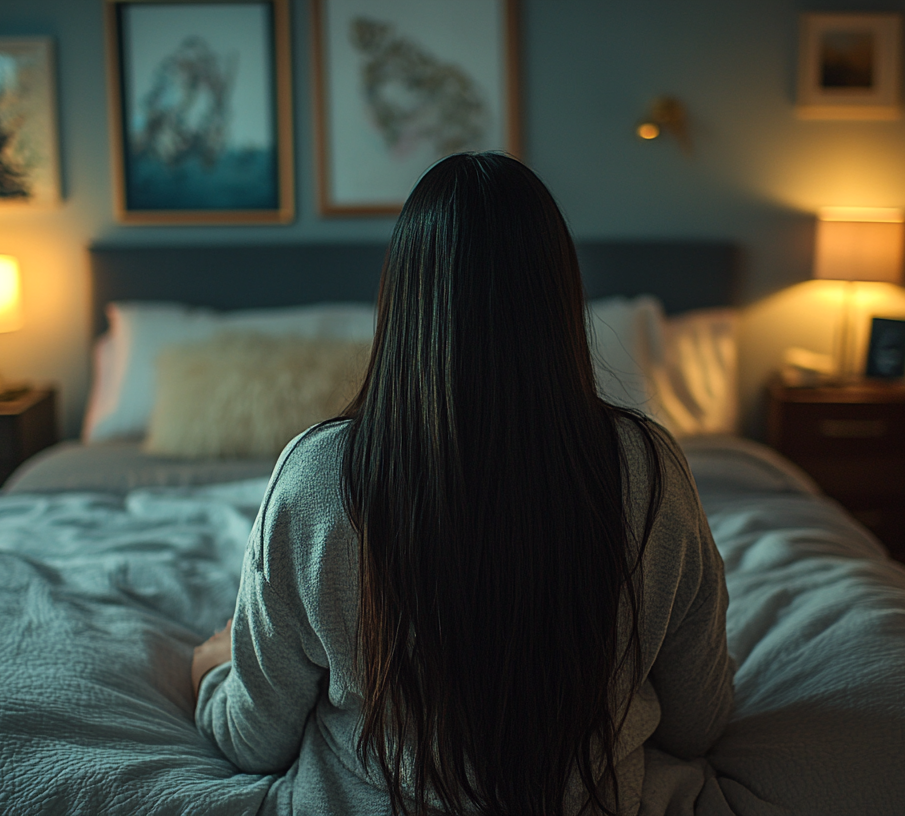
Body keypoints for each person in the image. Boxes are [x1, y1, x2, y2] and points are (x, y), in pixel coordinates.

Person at [191, 152, 734, 816]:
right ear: (560, 297)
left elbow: (254, 741)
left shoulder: (315, 482)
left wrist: (214, 668)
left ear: (403, 300)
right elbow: (698, 725)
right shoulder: (648, 471)